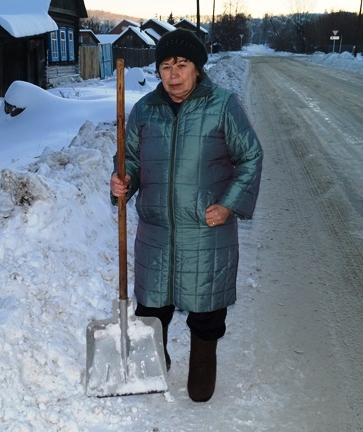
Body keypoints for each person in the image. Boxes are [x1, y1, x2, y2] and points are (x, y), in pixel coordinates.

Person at [110, 29, 263, 402]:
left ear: (197, 68)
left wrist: (228, 204)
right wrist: (121, 184)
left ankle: (202, 365)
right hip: (157, 231)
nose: (173, 73)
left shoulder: (223, 105)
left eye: (181, 64)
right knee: (152, 306)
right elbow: (129, 161)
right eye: (165, 66)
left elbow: (250, 157)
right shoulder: (145, 109)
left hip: (206, 229)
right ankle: (156, 357)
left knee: (207, 310)